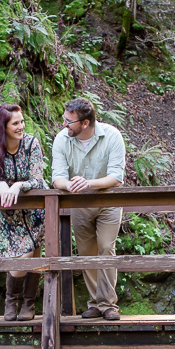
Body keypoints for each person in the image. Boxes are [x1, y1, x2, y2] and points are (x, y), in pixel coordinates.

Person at [51, 97, 125, 321]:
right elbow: (57, 177)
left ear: (85, 123)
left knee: (105, 248)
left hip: (108, 202)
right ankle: (95, 303)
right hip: (79, 203)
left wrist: (89, 183)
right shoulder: (62, 140)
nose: (64, 124)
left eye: (69, 121)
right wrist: (69, 185)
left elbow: (116, 177)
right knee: (86, 253)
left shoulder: (111, 136)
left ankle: (108, 304)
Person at [0, 104, 49, 321]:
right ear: (3, 127)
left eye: (22, 121)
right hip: (7, 212)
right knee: (18, 261)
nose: (21, 126)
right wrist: (0, 185)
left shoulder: (31, 143)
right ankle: (12, 300)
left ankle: (27, 303)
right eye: (15, 123)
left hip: (33, 209)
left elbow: (37, 178)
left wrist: (19, 185)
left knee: (33, 253)